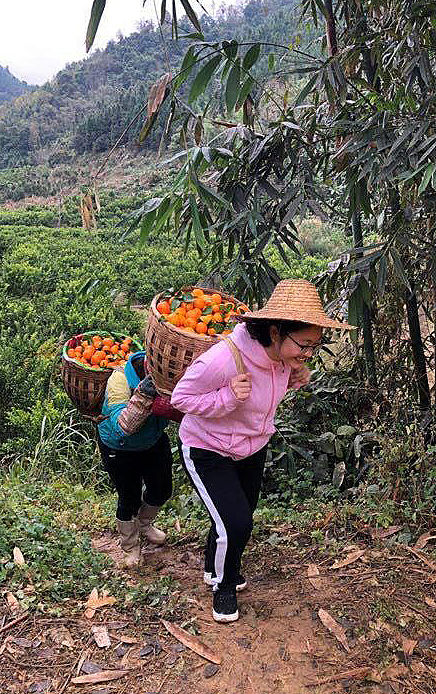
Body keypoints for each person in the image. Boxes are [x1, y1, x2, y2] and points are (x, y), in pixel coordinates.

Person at [171, 279, 354, 623]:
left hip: (252, 447)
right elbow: (181, 398)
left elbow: (275, 383)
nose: (309, 353)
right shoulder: (224, 359)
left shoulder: (284, 361)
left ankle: (214, 566)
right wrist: (226, 397)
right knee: (236, 521)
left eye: (314, 345)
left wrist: (297, 376)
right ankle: (224, 588)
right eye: (304, 344)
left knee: (236, 516)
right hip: (207, 448)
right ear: (275, 332)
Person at [97, 350, 173, 567]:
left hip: (152, 439)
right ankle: (130, 546)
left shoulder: (169, 374)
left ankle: (144, 524)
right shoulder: (119, 381)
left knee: (162, 489)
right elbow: (124, 427)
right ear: (149, 364)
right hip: (120, 447)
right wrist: (146, 393)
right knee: (129, 496)